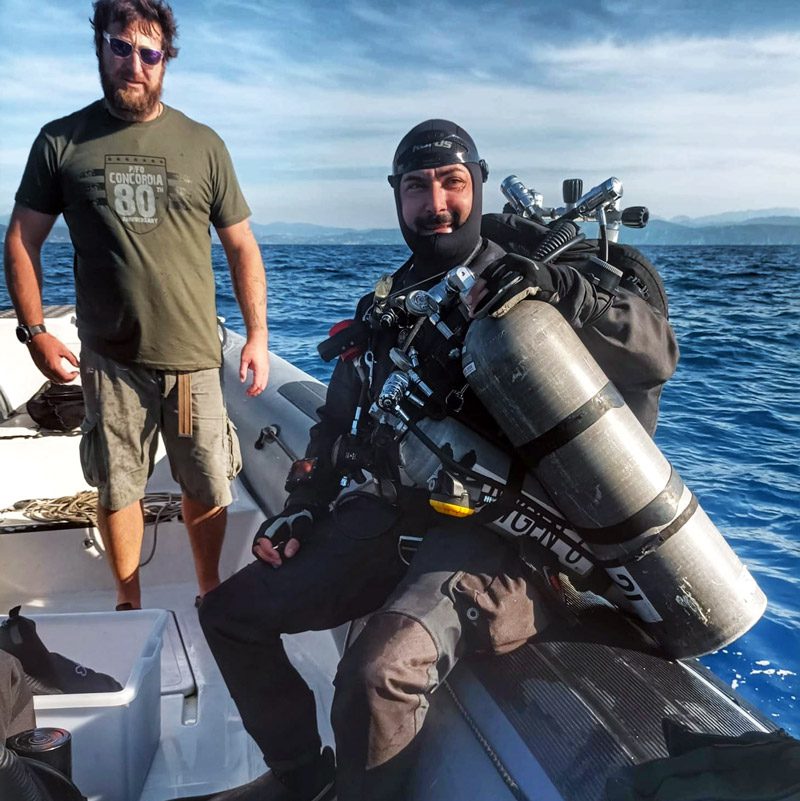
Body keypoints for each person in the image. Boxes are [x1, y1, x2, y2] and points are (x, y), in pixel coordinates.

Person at [199, 119, 679, 801]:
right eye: (418, 187)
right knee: (227, 613)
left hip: (505, 540)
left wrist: (555, 288)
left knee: (376, 674)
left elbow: (657, 350)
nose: (437, 203)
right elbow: (337, 426)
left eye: (452, 183)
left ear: (477, 185)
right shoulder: (387, 306)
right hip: (392, 519)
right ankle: (305, 781)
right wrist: (304, 508)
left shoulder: (532, 278)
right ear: (396, 196)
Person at [3, 0, 269, 611]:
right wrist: (35, 332)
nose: (134, 63)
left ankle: (210, 595)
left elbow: (241, 243)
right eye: (120, 47)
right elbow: (22, 239)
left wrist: (256, 334)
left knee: (203, 481)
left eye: (149, 53)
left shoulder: (203, 144)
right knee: (117, 483)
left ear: (165, 62)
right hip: (113, 362)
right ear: (100, 48)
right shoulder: (60, 141)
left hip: (191, 363)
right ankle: (128, 602)